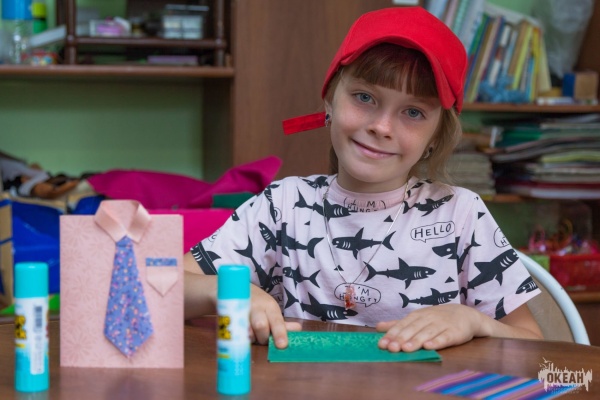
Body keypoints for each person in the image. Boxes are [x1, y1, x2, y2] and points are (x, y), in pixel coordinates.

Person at [183, 6, 543, 352]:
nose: (381, 127)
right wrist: (225, 291)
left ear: (436, 135)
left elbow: (533, 345)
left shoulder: (461, 214)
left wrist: (474, 321)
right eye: (364, 97)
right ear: (330, 100)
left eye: (413, 112)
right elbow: (163, 287)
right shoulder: (282, 205)